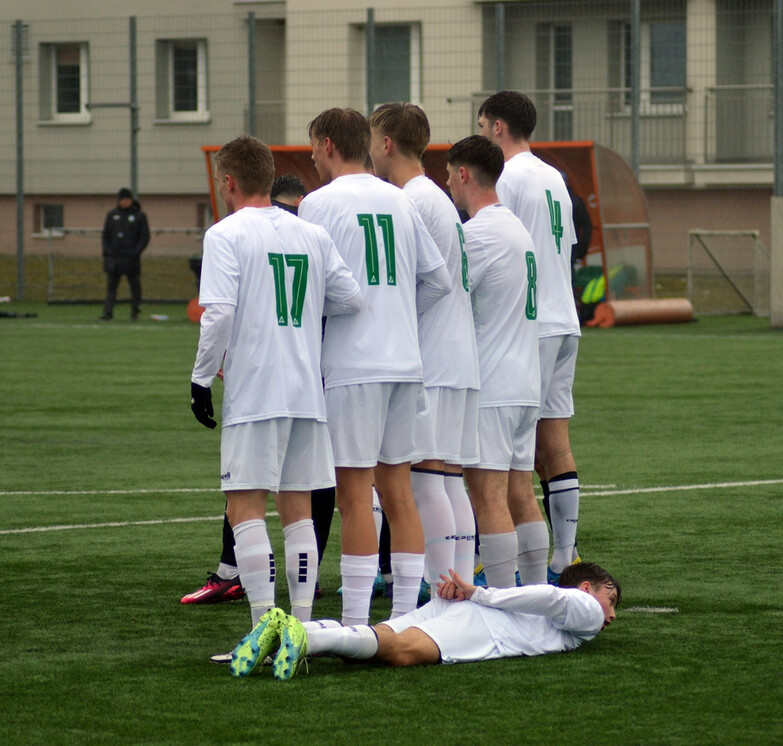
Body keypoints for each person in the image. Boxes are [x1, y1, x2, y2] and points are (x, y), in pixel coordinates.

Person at [190, 135, 363, 644]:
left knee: (244, 504)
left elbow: (218, 313)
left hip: (258, 389)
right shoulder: (310, 233)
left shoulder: (225, 234)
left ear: (228, 182)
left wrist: (201, 378)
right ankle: (303, 629)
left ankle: (264, 629)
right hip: (307, 390)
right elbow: (350, 297)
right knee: (298, 508)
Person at [298, 108, 453, 625]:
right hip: (405, 363)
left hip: (353, 365)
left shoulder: (317, 204)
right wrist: (399, 314)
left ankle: (357, 624)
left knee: (353, 492)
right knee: (397, 489)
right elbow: (438, 282)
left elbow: (311, 291)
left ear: (326, 145)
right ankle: (407, 618)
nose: (312, 158)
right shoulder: (400, 200)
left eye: (313, 148)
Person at [368, 102, 481, 587]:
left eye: (373, 140)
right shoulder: (434, 197)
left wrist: (392, 320)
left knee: (427, 479)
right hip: (458, 354)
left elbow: (427, 284)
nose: (370, 150)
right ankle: (456, 585)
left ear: (386, 144)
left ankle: (442, 590)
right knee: (448, 480)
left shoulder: (411, 200)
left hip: (433, 356)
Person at [478, 91, 581, 582]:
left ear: (497, 127)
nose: (480, 136)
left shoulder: (507, 176)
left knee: (511, 451)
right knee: (554, 442)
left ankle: (508, 561)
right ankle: (565, 554)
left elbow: (505, 246)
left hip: (532, 324)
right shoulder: (552, 175)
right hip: (565, 321)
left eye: (481, 127)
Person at [444, 135, 546, 588]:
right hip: (525, 382)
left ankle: (505, 601)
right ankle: (538, 593)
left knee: (488, 494)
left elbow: (445, 293)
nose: (446, 184)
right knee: (521, 492)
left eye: (448, 175)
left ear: (463, 174)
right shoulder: (515, 227)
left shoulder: (479, 232)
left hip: (494, 384)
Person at [229, 561, 618, 679]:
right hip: (484, 625)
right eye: (610, 599)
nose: (611, 615)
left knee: (380, 640)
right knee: (399, 651)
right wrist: (479, 593)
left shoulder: (576, 611)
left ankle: (293, 632)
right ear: (586, 588)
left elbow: (546, 598)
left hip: (466, 612)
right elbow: (551, 594)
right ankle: (307, 641)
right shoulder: (586, 610)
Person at [99, 187, 150, 321]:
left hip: (131, 258)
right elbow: (105, 235)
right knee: (111, 287)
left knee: (134, 286)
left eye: (127, 199)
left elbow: (144, 236)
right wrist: (107, 251)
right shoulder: (112, 215)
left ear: (131, 200)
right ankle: (108, 312)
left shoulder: (139, 216)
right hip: (114, 258)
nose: (125, 202)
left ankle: (135, 312)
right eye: (122, 200)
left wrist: (135, 252)